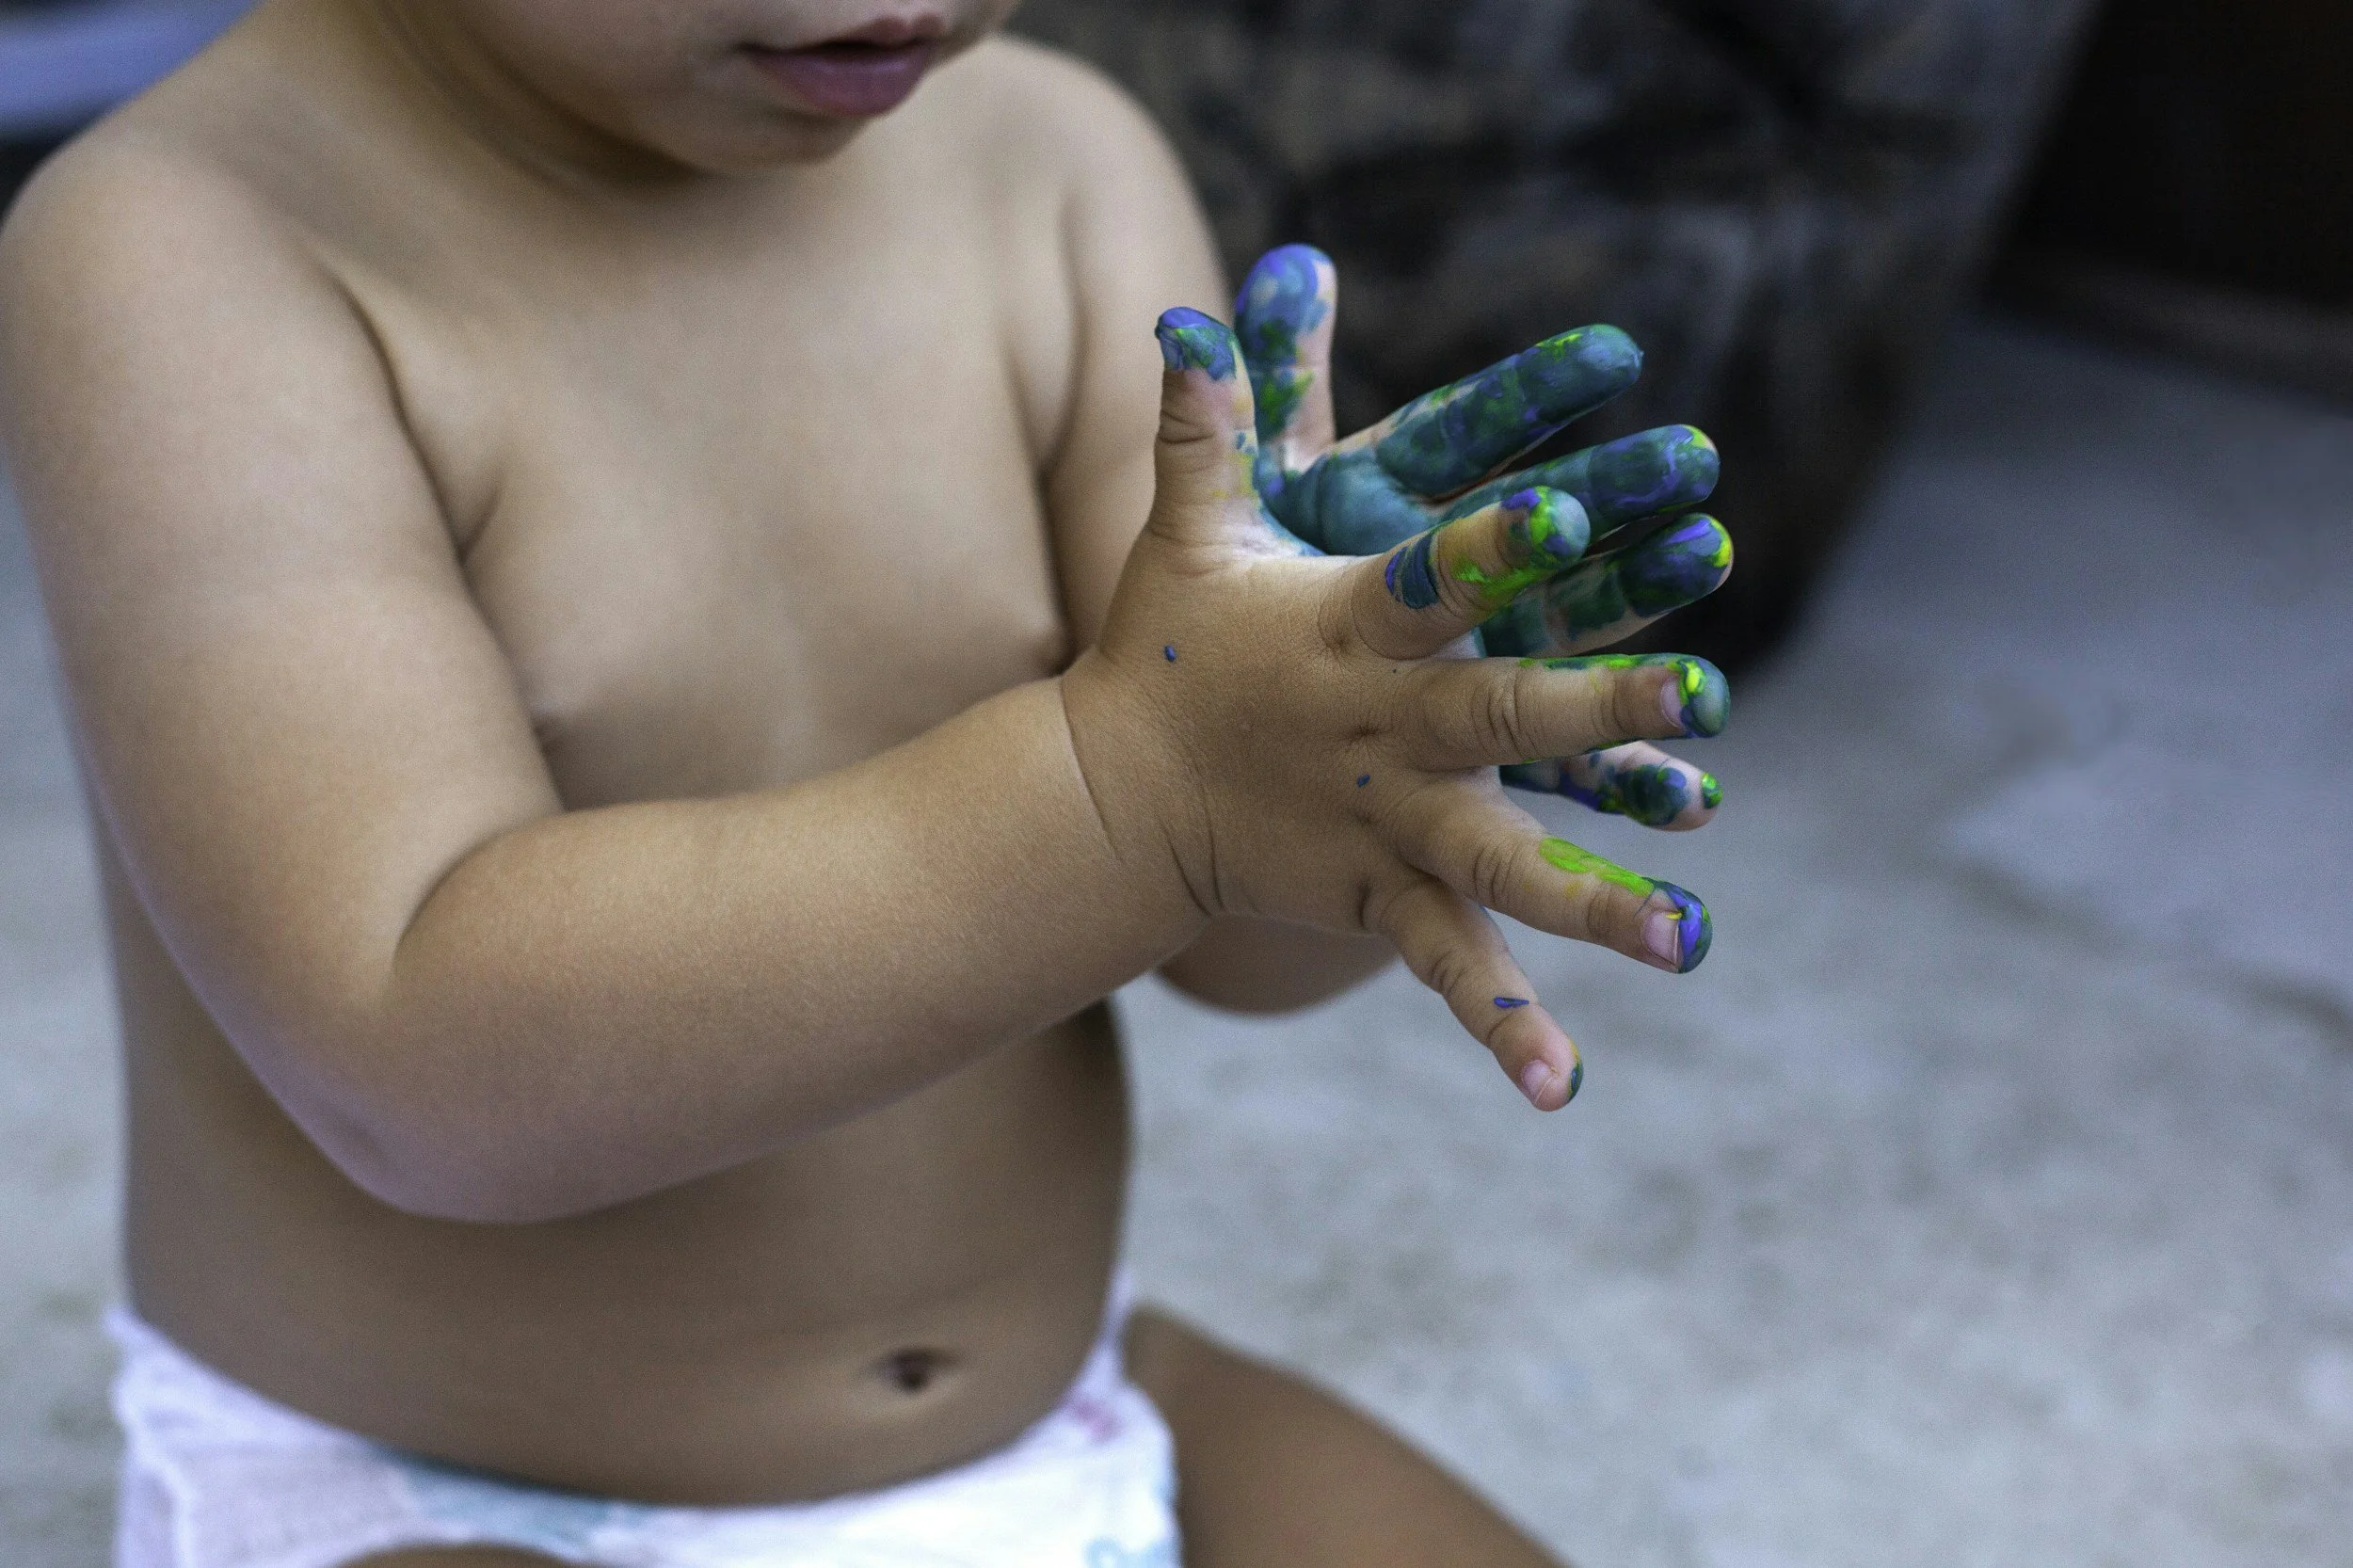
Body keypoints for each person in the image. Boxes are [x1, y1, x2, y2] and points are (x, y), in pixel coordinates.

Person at [0, 3, 1735, 1565]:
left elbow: (1230, 936)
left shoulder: (1050, 172)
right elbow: (415, 1066)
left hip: (1064, 1419)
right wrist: (1131, 786)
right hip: (432, 1493)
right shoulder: (189, 252)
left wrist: (1355, 749)